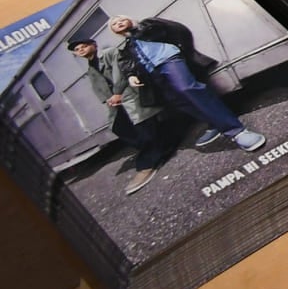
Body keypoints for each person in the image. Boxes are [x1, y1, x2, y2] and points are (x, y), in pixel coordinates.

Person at [106, 16, 265, 153]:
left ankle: (237, 131)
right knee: (177, 101)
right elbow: (128, 65)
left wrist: (182, 49)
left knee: (187, 88)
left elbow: (178, 30)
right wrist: (131, 76)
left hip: (169, 59)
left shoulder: (147, 25)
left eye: (121, 19)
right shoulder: (128, 47)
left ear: (129, 20)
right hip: (152, 72)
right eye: (114, 23)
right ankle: (215, 123)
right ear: (114, 31)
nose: (118, 22)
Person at [71, 36, 176, 195]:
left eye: (83, 46)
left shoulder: (110, 53)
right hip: (116, 100)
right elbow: (97, 87)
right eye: (77, 50)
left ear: (94, 45)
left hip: (129, 92)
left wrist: (118, 93)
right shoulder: (90, 69)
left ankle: (147, 164)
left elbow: (121, 72)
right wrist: (107, 100)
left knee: (142, 125)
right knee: (118, 127)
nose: (80, 50)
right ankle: (158, 148)